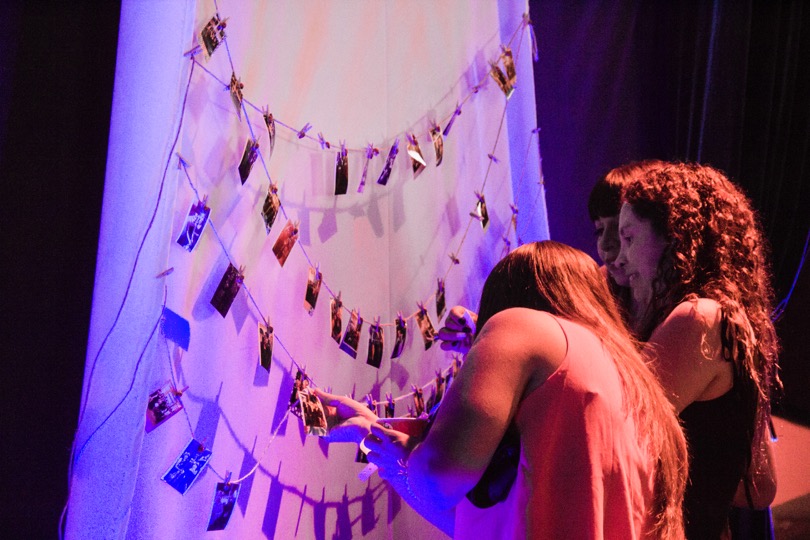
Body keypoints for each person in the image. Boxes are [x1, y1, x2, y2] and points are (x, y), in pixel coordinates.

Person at [317, 241, 688, 539]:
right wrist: (372, 436)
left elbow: (438, 478)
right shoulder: (634, 381)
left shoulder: (521, 325)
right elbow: (477, 522)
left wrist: (410, 454)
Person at [616, 162, 779, 538]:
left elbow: (613, 433)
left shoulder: (698, 317)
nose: (620, 259)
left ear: (674, 238)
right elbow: (759, 488)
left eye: (629, 238)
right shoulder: (731, 319)